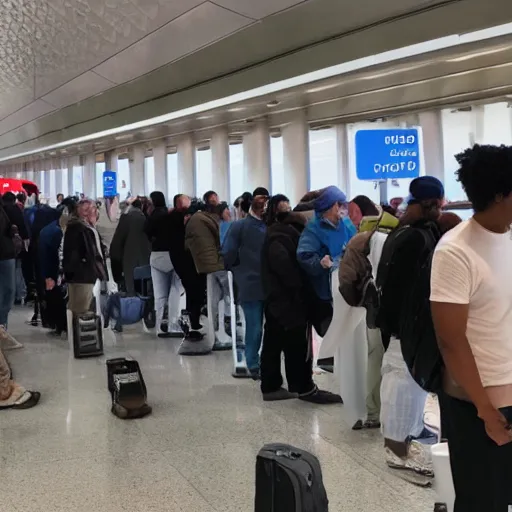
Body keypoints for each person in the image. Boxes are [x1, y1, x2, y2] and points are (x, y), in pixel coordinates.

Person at [431, 145, 512, 512]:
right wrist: (485, 411)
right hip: (481, 405)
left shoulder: (508, 237)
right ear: (501, 195)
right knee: (484, 501)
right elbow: (451, 340)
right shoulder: (455, 251)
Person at [376, 176, 445, 476]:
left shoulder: (406, 230)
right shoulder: (415, 237)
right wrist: (401, 328)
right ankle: (396, 450)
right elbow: (399, 289)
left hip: (405, 325)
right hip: (405, 327)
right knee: (401, 387)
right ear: (431, 204)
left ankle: (406, 438)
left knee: (409, 386)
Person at [261, 210, 343, 403]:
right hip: (290, 303)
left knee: (274, 344)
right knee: (297, 347)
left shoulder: (277, 236)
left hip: (277, 301)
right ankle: (304, 388)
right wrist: (305, 283)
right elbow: (288, 271)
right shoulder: (283, 240)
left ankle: (271, 386)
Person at [339, 205, 399, 429]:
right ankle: (380, 409)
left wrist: (357, 302)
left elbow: (346, 279)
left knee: (373, 356)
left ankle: (371, 410)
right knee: (384, 356)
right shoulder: (396, 237)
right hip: (389, 308)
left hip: (369, 308)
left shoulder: (359, 240)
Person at [297, 186, 355, 336]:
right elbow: (304, 255)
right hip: (325, 293)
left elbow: (355, 242)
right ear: (334, 206)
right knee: (331, 337)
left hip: (347, 288)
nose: (345, 209)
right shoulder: (314, 229)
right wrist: (320, 263)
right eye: (342, 205)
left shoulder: (346, 224)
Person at [223, 187, 269, 379]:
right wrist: (239, 270)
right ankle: (253, 363)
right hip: (253, 282)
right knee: (255, 326)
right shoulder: (242, 227)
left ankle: (256, 362)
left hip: (256, 281)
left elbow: (228, 254)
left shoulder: (239, 226)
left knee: (256, 326)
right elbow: (228, 254)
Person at [169, 195, 206, 338]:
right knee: (193, 292)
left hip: (184, 262)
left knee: (191, 292)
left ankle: (193, 322)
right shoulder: (184, 225)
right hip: (189, 263)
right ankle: (193, 323)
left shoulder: (173, 221)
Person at [144, 192, 180, 337]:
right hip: (173, 255)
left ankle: (160, 327)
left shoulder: (152, 218)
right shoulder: (172, 215)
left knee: (160, 294)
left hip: (156, 256)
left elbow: (146, 232)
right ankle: (173, 324)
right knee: (176, 291)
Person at [62, 200, 107, 315]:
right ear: (85, 213)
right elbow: (74, 255)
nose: (97, 213)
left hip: (87, 275)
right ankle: (74, 332)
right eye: (94, 210)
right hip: (83, 277)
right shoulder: (79, 229)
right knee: (80, 310)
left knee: (82, 309)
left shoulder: (87, 228)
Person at [111, 198, 151, 295]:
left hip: (130, 262)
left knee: (131, 294)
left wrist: (116, 268)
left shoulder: (127, 218)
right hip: (149, 262)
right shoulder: (151, 219)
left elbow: (117, 243)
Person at [2, 192, 29, 306]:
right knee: (17, 270)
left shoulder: (3, 210)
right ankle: (18, 296)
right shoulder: (15, 210)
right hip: (13, 248)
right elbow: (22, 227)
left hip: (5, 249)